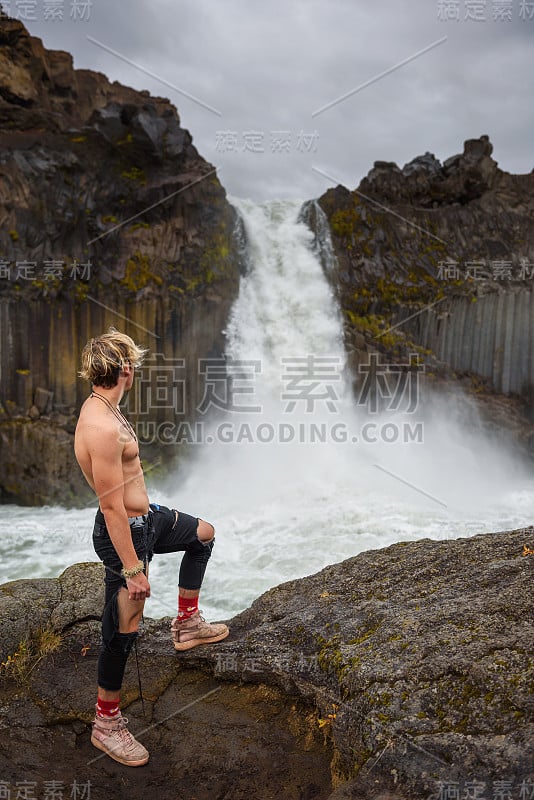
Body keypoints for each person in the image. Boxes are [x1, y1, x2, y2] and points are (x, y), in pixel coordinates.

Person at [74, 329, 228, 767]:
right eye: (133, 363)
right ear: (124, 369)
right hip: (127, 533)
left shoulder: (105, 406)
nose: (135, 368)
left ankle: (187, 625)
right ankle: (106, 725)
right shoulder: (101, 426)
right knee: (123, 632)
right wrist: (132, 570)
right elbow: (110, 505)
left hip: (147, 517)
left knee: (204, 535)